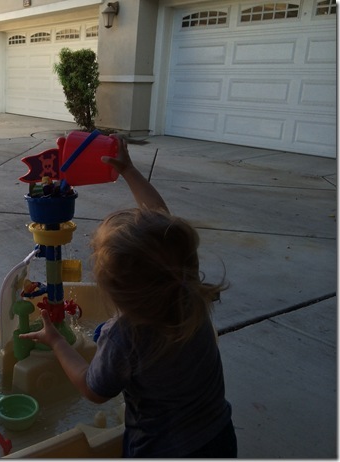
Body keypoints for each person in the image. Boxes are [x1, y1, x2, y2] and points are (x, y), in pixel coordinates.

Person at [19, 135, 237, 458]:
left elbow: (92, 388)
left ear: (114, 292)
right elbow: (162, 224)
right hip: (218, 438)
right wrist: (129, 171)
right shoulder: (186, 292)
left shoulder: (125, 336)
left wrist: (56, 341)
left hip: (159, 451)